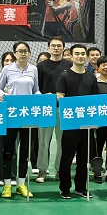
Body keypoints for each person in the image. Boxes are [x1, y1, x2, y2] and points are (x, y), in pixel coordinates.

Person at [56, 44, 99, 199]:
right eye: (77, 54)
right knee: (67, 157)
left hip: (87, 125)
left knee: (83, 158)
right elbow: (60, 96)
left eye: (82, 54)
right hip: (71, 124)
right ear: (71, 56)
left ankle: (80, 187)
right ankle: (64, 187)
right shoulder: (64, 76)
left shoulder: (91, 77)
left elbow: (95, 100)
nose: (80, 56)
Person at [0, 41, 40, 199]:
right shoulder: (7, 69)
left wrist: (42, 98)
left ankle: (21, 184)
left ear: (29, 53)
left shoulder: (33, 69)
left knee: (25, 151)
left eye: (25, 51)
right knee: (8, 150)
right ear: (14, 53)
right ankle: (7, 185)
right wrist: (3, 96)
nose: (23, 53)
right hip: (12, 114)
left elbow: (36, 90)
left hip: (27, 114)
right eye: (19, 51)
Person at [36, 37, 72, 183]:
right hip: (46, 109)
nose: (56, 48)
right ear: (49, 47)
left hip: (64, 109)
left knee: (63, 142)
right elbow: (37, 87)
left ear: (63, 48)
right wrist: (44, 96)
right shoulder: (41, 66)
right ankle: (42, 170)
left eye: (59, 46)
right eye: (53, 46)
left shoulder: (69, 65)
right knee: (43, 142)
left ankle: (60, 169)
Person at [0, 51, 16, 187]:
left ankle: (12, 174)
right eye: (6, 60)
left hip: (14, 116)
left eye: (12, 60)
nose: (9, 63)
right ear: (2, 63)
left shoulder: (20, 78)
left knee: (13, 148)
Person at [92, 55, 107, 183]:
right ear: (98, 68)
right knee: (97, 148)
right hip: (99, 122)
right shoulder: (93, 82)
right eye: (103, 65)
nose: (106, 67)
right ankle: (97, 172)